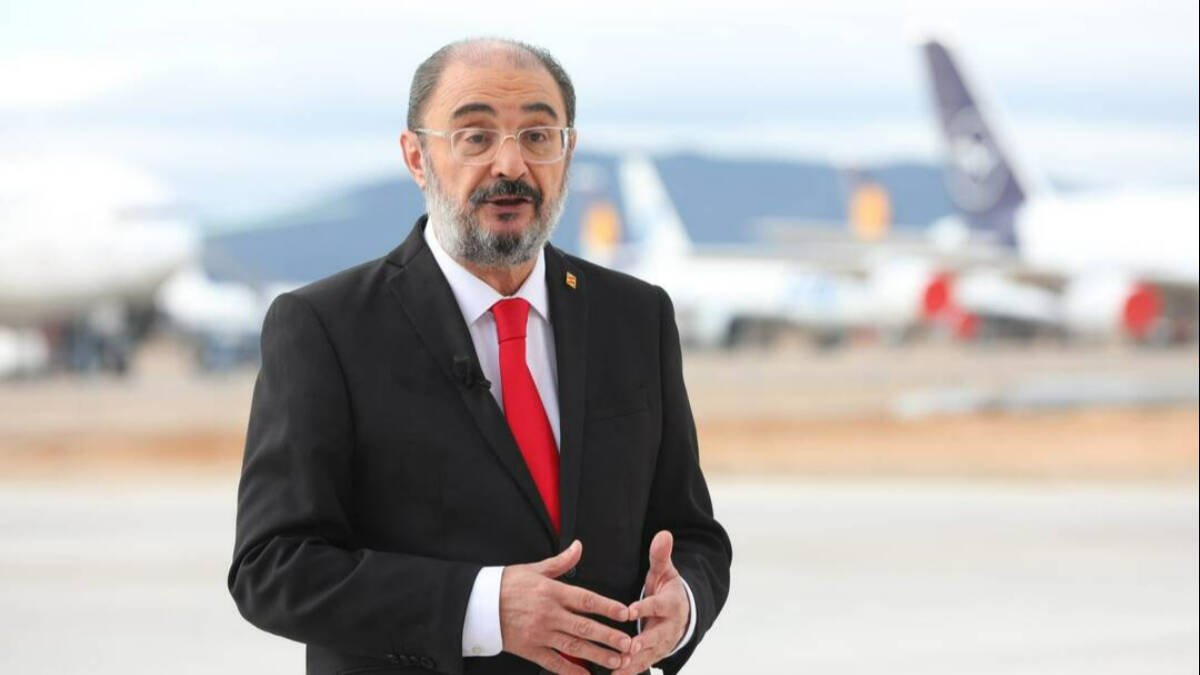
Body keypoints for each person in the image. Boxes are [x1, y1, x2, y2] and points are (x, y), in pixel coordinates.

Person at [228, 37, 731, 675]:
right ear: (417, 156)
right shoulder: (324, 327)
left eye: (539, 135)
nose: (510, 164)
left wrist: (681, 606)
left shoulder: (636, 317)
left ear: (568, 151)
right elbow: (273, 568)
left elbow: (693, 534)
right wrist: (486, 609)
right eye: (475, 136)